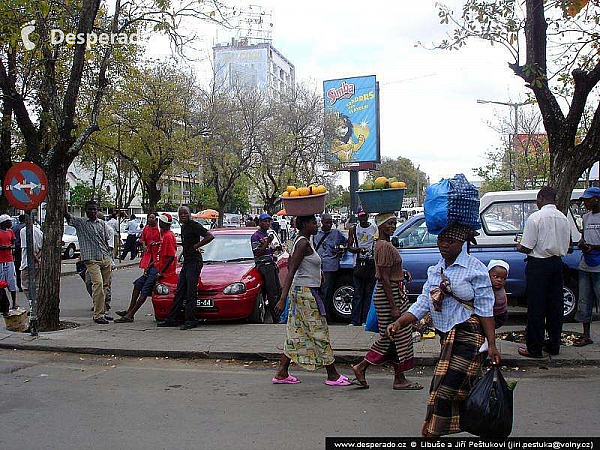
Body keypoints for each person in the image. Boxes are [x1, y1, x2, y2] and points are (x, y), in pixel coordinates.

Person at [387, 223, 501, 437]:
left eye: (451, 241)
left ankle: (433, 431)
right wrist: (400, 323)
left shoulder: (475, 269)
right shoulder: (435, 271)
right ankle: (479, 423)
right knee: (458, 386)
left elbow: (486, 309)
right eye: (441, 240)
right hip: (447, 337)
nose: (444, 245)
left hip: (469, 335)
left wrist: (492, 345)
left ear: (462, 243)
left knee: (445, 388)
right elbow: (422, 303)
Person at [272, 214, 351, 386]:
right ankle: (333, 375)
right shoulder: (302, 243)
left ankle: (282, 372)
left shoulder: (306, 240)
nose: (317, 225)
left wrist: (319, 273)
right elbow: (291, 271)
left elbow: (306, 265)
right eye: (313, 222)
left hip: (305, 290)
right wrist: (282, 298)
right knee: (319, 332)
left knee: (295, 333)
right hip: (305, 293)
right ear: (305, 224)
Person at [350, 213, 420, 390]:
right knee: (392, 335)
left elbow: (389, 271)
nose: (392, 226)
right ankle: (362, 366)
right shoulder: (382, 246)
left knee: (398, 337)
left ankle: (399, 377)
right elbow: (384, 278)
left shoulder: (385, 245)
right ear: (380, 225)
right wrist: (394, 306)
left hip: (394, 291)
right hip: (390, 296)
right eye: (389, 223)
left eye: (394, 223)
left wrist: (401, 273)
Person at [517, 186, 570, 358]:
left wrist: (518, 245)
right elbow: (567, 246)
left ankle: (534, 348)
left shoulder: (535, 218)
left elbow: (526, 247)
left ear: (540, 198)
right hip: (556, 263)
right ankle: (554, 345)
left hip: (538, 265)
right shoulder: (563, 218)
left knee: (536, 307)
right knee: (555, 306)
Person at [157, 206, 214, 330]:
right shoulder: (183, 227)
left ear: (190, 214)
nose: (183, 215)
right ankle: (172, 319)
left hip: (194, 262)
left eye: (185, 213)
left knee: (190, 292)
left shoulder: (194, 225)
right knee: (180, 290)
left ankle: (191, 320)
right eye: (181, 213)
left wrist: (196, 246)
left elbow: (209, 236)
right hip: (187, 262)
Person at [116, 214, 177, 323]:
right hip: (154, 265)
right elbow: (159, 253)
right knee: (137, 284)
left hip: (160, 269)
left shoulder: (168, 236)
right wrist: (150, 265)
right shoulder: (162, 234)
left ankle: (130, 314)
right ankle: (130, 310)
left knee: (144, 290)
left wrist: (161, 272)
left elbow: (171, 256)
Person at [65, 201, 113, 324]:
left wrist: (110, 255)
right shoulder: (81, 223)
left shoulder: (102, 224)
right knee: (98, 284)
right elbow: (67, 216)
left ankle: (103, 311)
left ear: (98, 210)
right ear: (85, 210)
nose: (92, 212)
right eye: (90, 209)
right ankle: (97, 315)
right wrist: (64, 204)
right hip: (91, 259)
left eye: (95, 209)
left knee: (105, 286)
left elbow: (107, 240)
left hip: (105, 257)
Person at [573, 186, 600, 347]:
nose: (586, 204)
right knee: (584, 301)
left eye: (588, 201)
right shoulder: (586, 217)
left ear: (596, 199)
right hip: (586, 263)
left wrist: (594, 247)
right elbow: (585, 236)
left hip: (598, 264)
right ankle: (586, 335)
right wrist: (583, 243)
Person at [347, 207, 377, 326]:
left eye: (364, 216)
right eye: (360, 216)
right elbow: (349, 246)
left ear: (368, 216)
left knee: (368, 293)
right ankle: (355, 320)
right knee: (357, 293)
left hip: (370, 263)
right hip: (359, 264)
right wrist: (358, 250)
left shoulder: (374, 228)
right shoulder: (354, 229)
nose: (362, 218)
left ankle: (365, 319)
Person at [251, 213, 283, 323]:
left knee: (278, 290)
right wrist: (268, 242)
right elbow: (258, 253)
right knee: (271, 292)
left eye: (268, 221)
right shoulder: (256, 236)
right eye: (264, 221)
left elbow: (267, 251)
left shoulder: (267, 234)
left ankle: (279, 315)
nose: (267, 223)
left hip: (271, 264)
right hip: (264, 266)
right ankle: (276, 318)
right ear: (259, 222)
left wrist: (275, 249)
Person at [314, 213, 347, 319]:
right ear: (322, 222)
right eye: (327, 222)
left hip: (330, 266)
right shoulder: (316, 234)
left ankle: (325, 314)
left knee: (327, 291)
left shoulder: (336, 233)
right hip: (317, 266)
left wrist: (340, 250)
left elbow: (346, 242)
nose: (329, 224)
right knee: (318, 291)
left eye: (330, 222)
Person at [19, 216, 43, 309]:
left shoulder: (24, 231)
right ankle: (36, 305)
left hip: (27, 263)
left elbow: (29, 248)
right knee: (36, 286)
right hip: (36, 262)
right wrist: (38, 259)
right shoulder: (39, 231)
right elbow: (41, 248)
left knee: (25, 286)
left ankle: (34, 305)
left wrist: (36, 259)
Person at [0, 214, 17, 309]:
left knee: (11, 281)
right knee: (1, 283)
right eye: (9, 221)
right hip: (1, 260)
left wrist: (11, 246)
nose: (11, 223)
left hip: (9, 259)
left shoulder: (10, 232)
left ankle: (14, 302)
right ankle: (3, 304)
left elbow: (14, 242)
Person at [487, 260, 509, 329]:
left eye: (503, 278)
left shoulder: (499, 293)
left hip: (499, 315)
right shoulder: (485, 287)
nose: (499, 280)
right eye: (496, 276)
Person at [12, 215, 26, 292]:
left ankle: (19, 284)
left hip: (17, 249)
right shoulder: (26, 228)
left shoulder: (14, 228)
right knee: (25, 266)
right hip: (24, 249)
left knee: (17, 268)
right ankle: (25, 284)